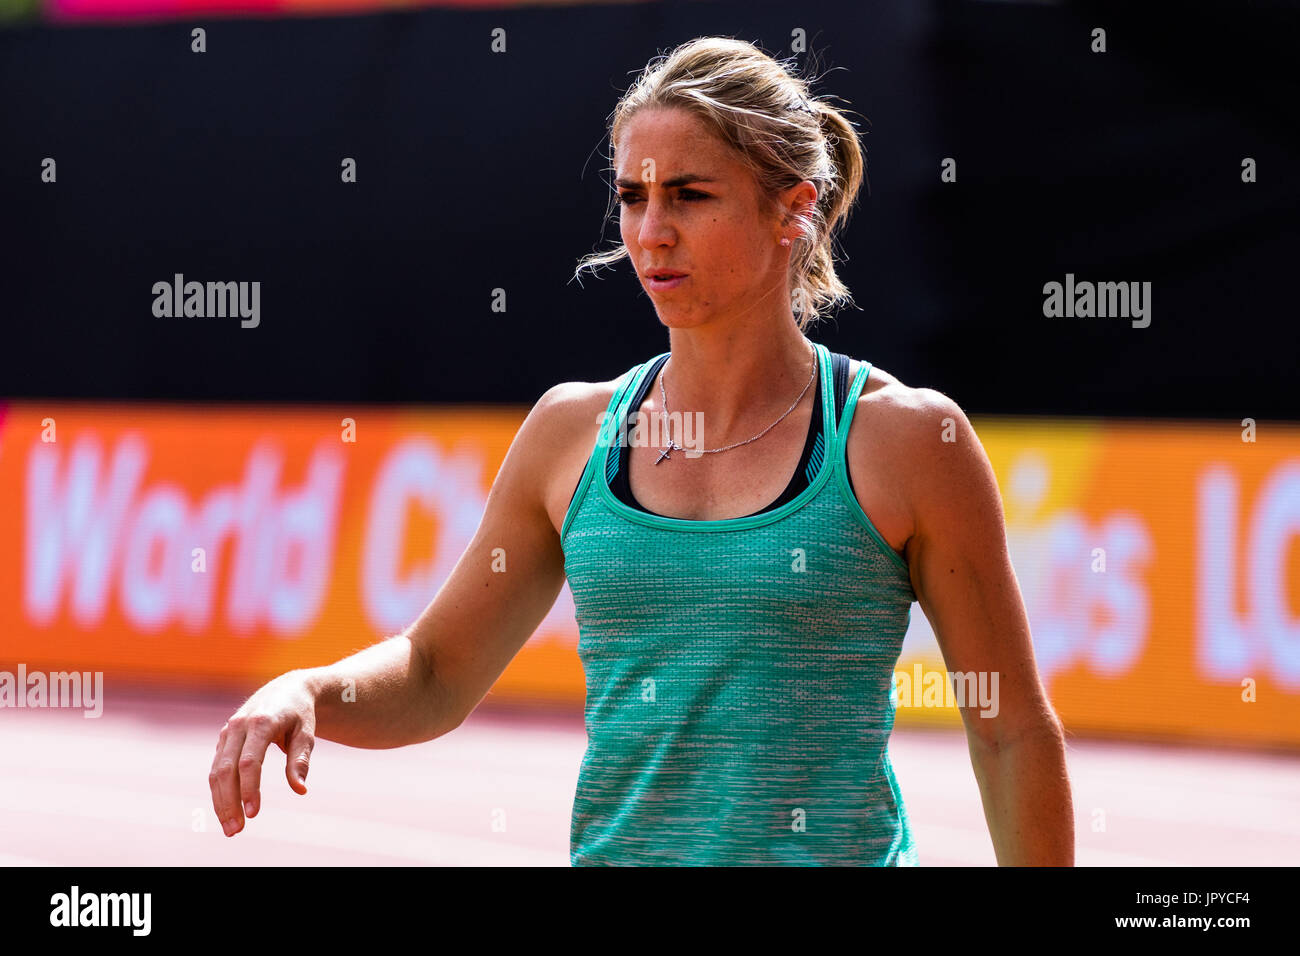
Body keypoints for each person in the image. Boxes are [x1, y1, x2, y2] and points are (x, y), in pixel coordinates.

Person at [209, 36, 1073, 866]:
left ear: (794, 205)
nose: (650, 231)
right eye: (631, 196)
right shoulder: (570, 433)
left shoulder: (908, 438)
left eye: (690, 195)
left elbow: (1009, 730)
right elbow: (436, 671)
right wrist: (309, 690)